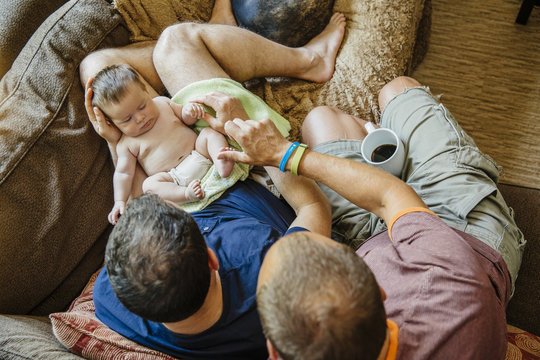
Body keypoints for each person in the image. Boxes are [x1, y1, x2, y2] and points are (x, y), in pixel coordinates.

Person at [84, 1, 346, 358]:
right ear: (211, 259)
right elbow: (315, 208)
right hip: (229, 173)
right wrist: (248, 134)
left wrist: (118, 142)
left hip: (173, 183)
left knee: (94, 69)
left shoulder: (111, 298)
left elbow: (134, 206)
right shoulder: (261, 258)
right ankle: (309, 60)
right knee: (176, 42)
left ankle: (217, 36)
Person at [218, 76, 526, 359]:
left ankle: (384, 155)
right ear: (381, 292)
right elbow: (389, 196)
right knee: (397, 90)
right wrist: (284, 153)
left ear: (273, 354)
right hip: (465, 234)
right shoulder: (453, 285)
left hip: (377, 236)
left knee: (321, 120)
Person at [90, 63, 235, 224]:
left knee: (208, 134)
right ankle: (187, 194)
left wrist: (189, 111)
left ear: (145, 91)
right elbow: (123, 174)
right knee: (149, 185)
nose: (140, 118)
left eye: (142, 106)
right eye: (127, 119)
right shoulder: (126, 144)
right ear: (112, 123)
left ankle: (222, 162)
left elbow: (185, 118)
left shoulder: (163, 103)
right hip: (173, 179)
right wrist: (120, 202)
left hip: (199, 154)